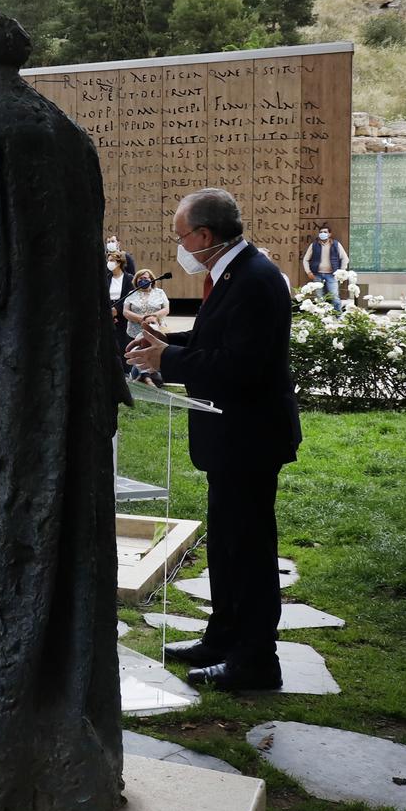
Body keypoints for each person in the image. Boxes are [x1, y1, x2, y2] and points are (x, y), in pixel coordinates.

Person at [126, 188, 301, 692]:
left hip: (249, 438)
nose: (179, 246)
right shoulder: (231, 274)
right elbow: (215, 343)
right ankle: (222, 637)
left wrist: (168, 362)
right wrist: (167, 345)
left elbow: (241, 367)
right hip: (230, 438)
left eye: (181, 236)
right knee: (226, 546)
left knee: (248, 550)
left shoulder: (254, 280)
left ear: (204, 235)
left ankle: (256, 661)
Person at [304, 223, 349, 313]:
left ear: (329, 234)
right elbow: (305, 259)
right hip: (317, 275)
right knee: (319, 298)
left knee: (335, 297)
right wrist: (308, 272)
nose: (323, 233)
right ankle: (321, 316)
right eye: (321, 232)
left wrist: (341, 272)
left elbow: (345, 258)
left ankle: (338, 316)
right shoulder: (314, 245)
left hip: (332, 275)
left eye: (325, 232)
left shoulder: (336, 244)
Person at [106, 248, 133, 326]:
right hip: (108, 314)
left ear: (118, 263)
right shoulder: (106, 278)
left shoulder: (129, 278)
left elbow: (129, 296)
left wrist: (117, 309)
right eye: (108, 260)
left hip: (123, 314)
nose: (108, 263)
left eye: (111, 261)